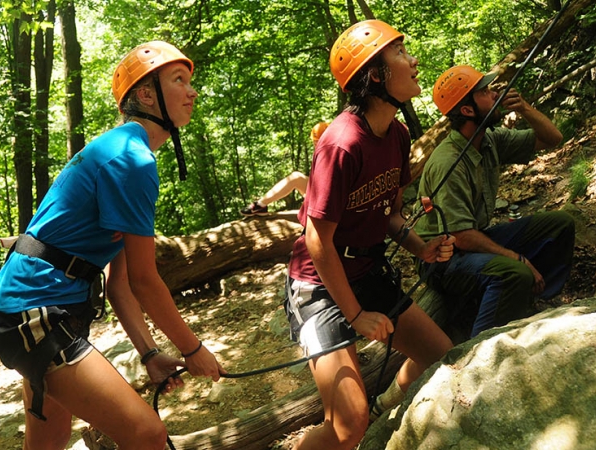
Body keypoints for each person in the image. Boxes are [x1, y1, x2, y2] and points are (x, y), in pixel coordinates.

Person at [0, 41, 224, 450]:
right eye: (179, 80)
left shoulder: (119, 151)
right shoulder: (130, 159)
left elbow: (122, 284)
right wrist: (193, 348)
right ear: (146, 95)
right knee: (147, 435)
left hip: (32, 310)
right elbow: (147, 282)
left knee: (47, 443)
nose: (193, 91)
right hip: (35, 315)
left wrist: (150, 355)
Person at [284, 20, 456, 449]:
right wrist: (357, 316)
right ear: (376, 76)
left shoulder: (397, 135)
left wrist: (422, 247)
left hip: (365, 271)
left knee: (442, 356)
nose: (413, 61)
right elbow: (317, 240)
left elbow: (390, 215)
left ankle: (386, 413)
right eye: (401, 53)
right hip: (317, 287)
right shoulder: (341, 144)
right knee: (347, 424)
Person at [415, 64, 574, 338]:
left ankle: (531, 299)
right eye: (486, 92)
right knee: (514, 271)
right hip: (443, 259)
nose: (496, 93)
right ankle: (481, 346)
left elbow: (553, 139)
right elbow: (461, 235)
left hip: (471, 240)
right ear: (467, 110)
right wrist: (518, 259)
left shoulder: (488, 139)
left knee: (560, 224)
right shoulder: (448, 161)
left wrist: (524, 108)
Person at [239, 122, 328, 217]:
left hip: (328, 199)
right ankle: (260, 205)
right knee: (296, 177)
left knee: (296, 178)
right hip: (320, 193)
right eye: (314, 141)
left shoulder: (334, 152)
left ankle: (259, 205)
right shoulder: (320, 153)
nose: (316, 144)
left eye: (318, 141)